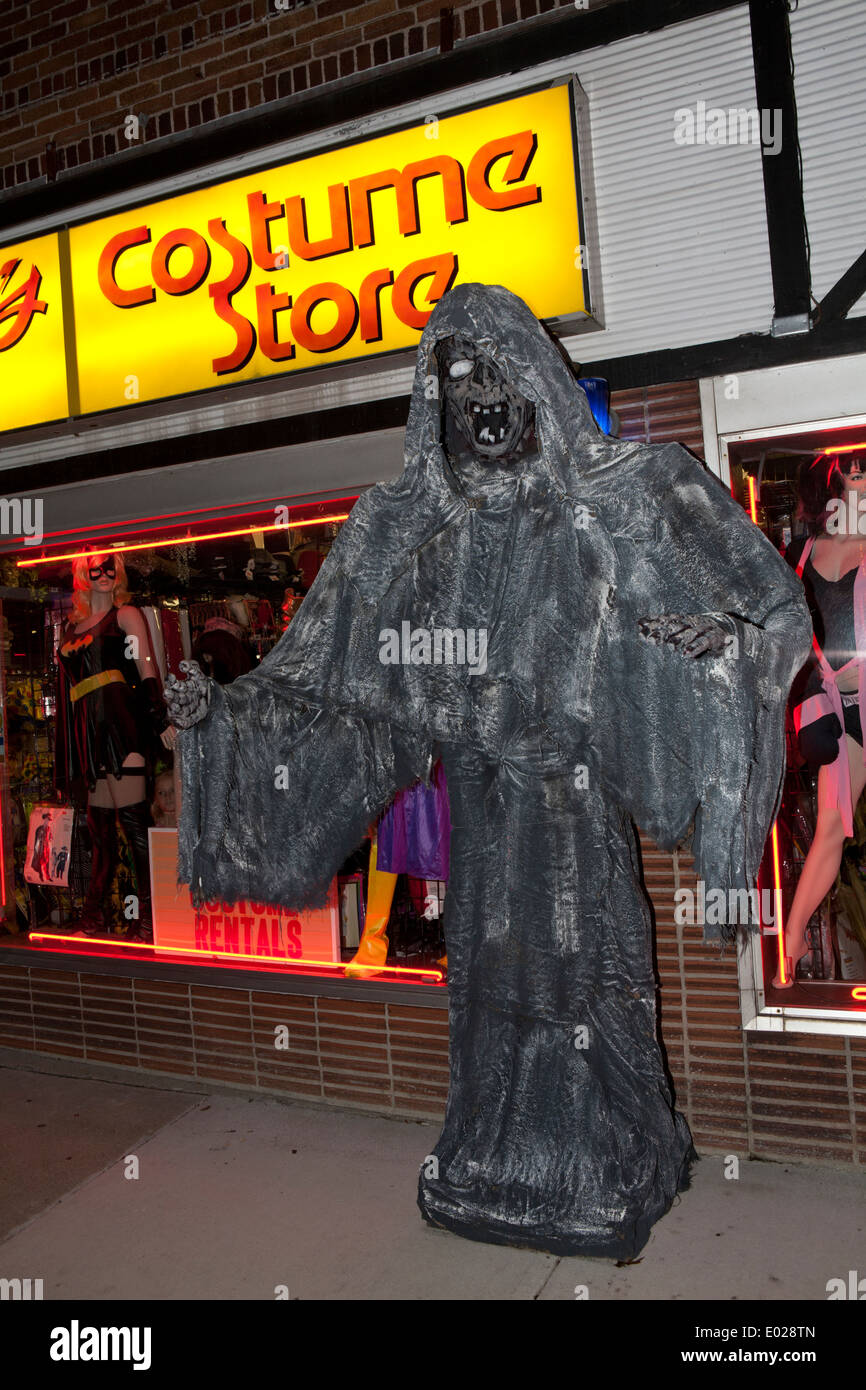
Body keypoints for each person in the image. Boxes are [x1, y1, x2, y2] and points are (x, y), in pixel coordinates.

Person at [774, 447, 866, 987]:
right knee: (830, 824)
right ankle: (793, 937)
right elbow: (787, 629)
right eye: (852, 469)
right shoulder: (803, 552)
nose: (860, 477)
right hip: (836, 704)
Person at [55, 552, 177, 939]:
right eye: (97, 568)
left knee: (133, 825)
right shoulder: (71, 627)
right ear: (82, 575)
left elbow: (146, 668)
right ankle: (94, 916)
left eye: (112, 567)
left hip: (121, 726)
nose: (105, 574)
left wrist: (160, 718)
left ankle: (149, 920)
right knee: (100, 831)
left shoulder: (126, 615)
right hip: (87, 732)